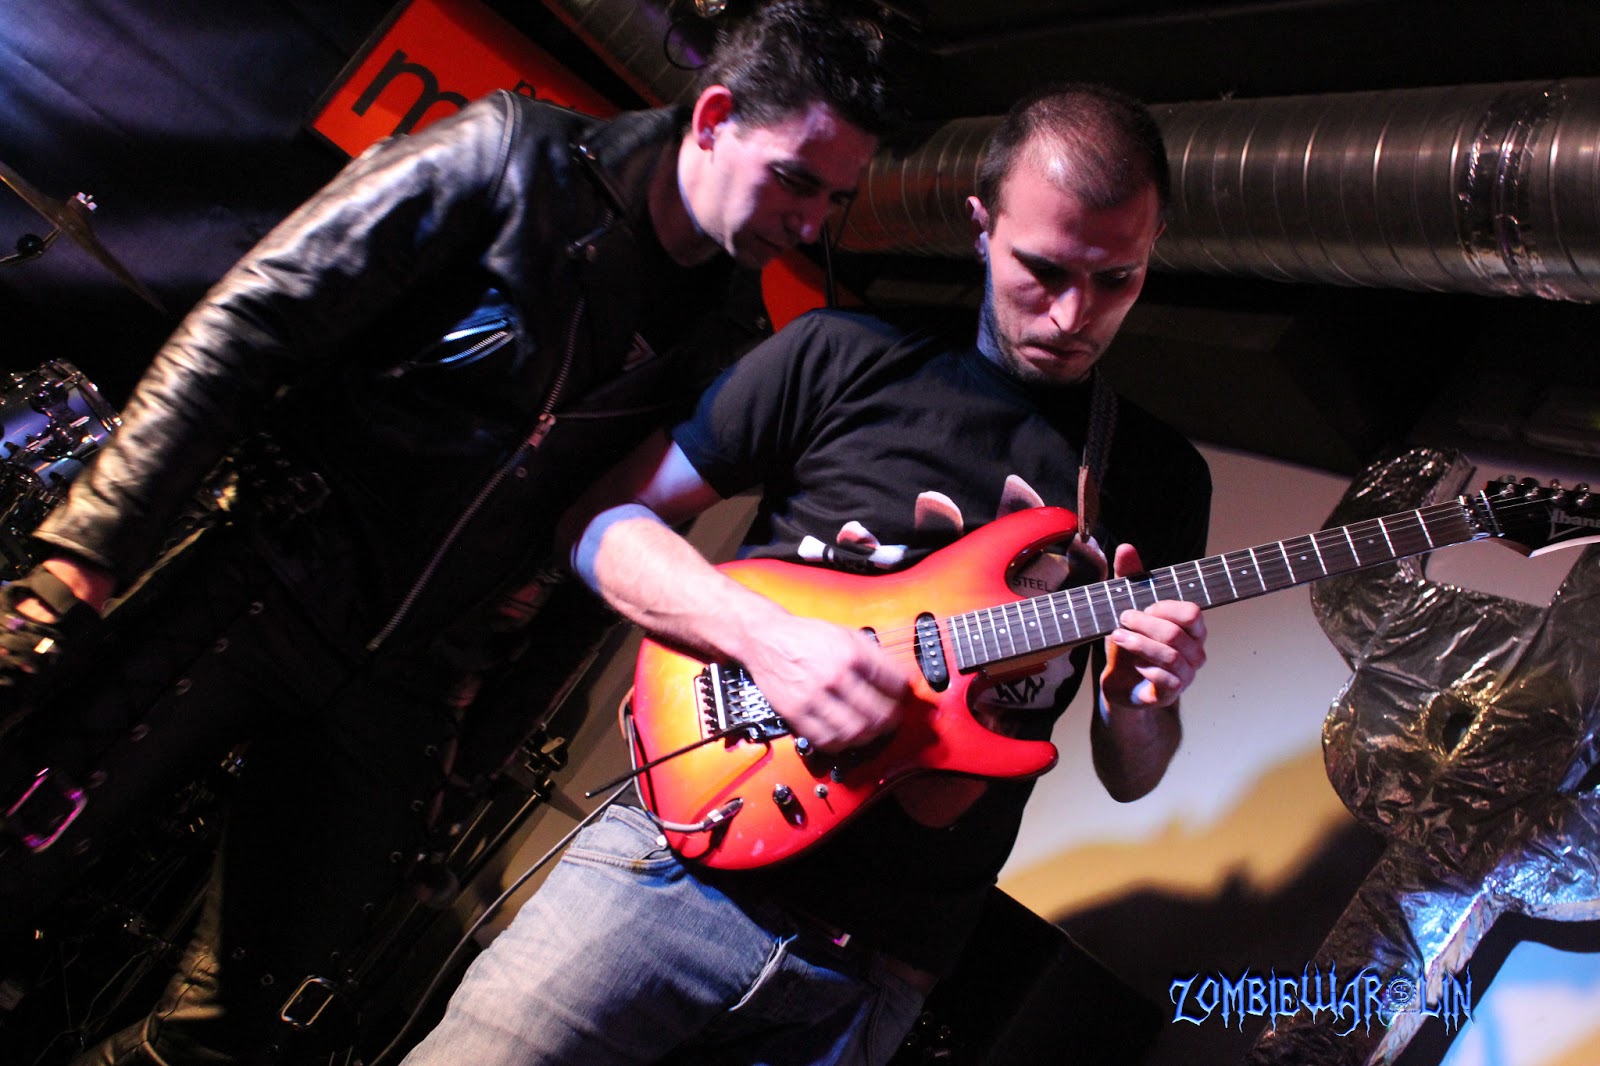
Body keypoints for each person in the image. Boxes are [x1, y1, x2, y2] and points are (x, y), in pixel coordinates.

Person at [0, 2, 896, 1062]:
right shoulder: (515, 157)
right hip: (266, 569)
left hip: (406, 686)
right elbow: (256, 317)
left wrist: (466, 766)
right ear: (712, 117)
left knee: (232, 1036)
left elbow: (596, 565)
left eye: (833, 200)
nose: (809, 223)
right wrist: (89, 549)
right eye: (796, 180)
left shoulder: (725, 340)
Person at [402, 83, 1213, 1066]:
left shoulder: (1159, 478)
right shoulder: (840, 355)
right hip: (672, 872)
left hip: (874, 972)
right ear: (981, 226)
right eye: (1042, 269)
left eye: (1117, 278)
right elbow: (601, 523)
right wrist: (768, 641)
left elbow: (1130, 774)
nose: (1074, 313)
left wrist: (1139, 704)